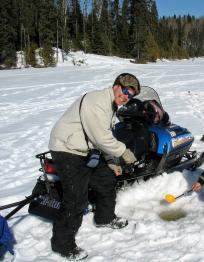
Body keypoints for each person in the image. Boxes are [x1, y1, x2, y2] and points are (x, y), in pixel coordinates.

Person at [48, 73, 140, 260]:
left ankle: (104, 218)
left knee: (106, 180)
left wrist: (111, 161)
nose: (125, 97)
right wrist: (123, 152)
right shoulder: (97, 101)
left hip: (85, 149)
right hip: (67, 149)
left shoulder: (111, 106)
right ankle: (62, 244)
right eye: (124, 91)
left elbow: (101, 137)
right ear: (116, 86)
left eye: (130, 95)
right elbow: (101, 138)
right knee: (75, 198)